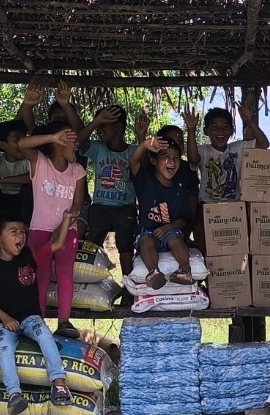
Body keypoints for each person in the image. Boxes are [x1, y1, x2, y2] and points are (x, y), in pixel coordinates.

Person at [0, 211, 75, 414]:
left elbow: (57, 245)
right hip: (2, 322)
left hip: (30, 317)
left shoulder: (29, 254)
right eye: (13, 232)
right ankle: (14, 394)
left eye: (22, 232)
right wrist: (5, 318)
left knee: (45, 336)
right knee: (4, 349)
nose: (20, 236)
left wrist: (66, 220)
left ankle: (59, 383)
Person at [19, 101, 87, 328]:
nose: (77, 145)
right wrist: (52, 137)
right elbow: (21, 144)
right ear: (59, 144)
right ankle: (37, 322)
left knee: (65, 272)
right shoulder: (41, 163)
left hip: (68, 230)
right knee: (41, 276)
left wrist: (63, 228)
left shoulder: (77, 171)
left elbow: (77, 205)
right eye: (72, 141)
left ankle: (64, 322)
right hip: (39, 228)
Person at [79, 104, 144, 276]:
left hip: (125, 207)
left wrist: (141, 136)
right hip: (100, 206)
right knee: (91, 244)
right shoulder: (98, 148)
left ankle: (128, 284)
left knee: (125, 245)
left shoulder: (132, 151)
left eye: (104, 124)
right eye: (98, 125)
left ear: (119, 126)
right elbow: (77, 141)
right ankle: (88, 279)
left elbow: (145, 166)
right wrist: (96, 121)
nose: (99, 129)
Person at [130, 136, 197, 288]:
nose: (172, 162)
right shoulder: (145, 180)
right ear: (153, 161)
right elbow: (133, 161)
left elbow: (183, 220)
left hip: (170, 232)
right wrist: (145, 145)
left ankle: (185, 270)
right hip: (148, 233)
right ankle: (154, 272)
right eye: (165, 157)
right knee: (145, 240)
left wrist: (168, 227)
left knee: (176, 239)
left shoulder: (179, 188)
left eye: (176, 158)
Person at [187, 100, 268, 203]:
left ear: (231, 131)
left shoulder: (238, 148)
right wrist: (191, 130)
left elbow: (264, 144)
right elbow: (193, 159)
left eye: (225, 127)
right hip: (207, 205)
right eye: (215, 127)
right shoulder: (204, 150)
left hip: (233, 206)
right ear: (206, 131)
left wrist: (250, 121)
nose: (220, 130)